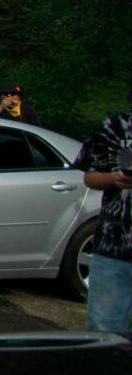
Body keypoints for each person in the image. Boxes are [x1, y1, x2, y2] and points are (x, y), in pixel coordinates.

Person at [73, 100, 132, 331]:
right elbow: (89, 176)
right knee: (103, 333)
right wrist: (115, 178)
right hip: (114, 249)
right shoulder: (114, 127)